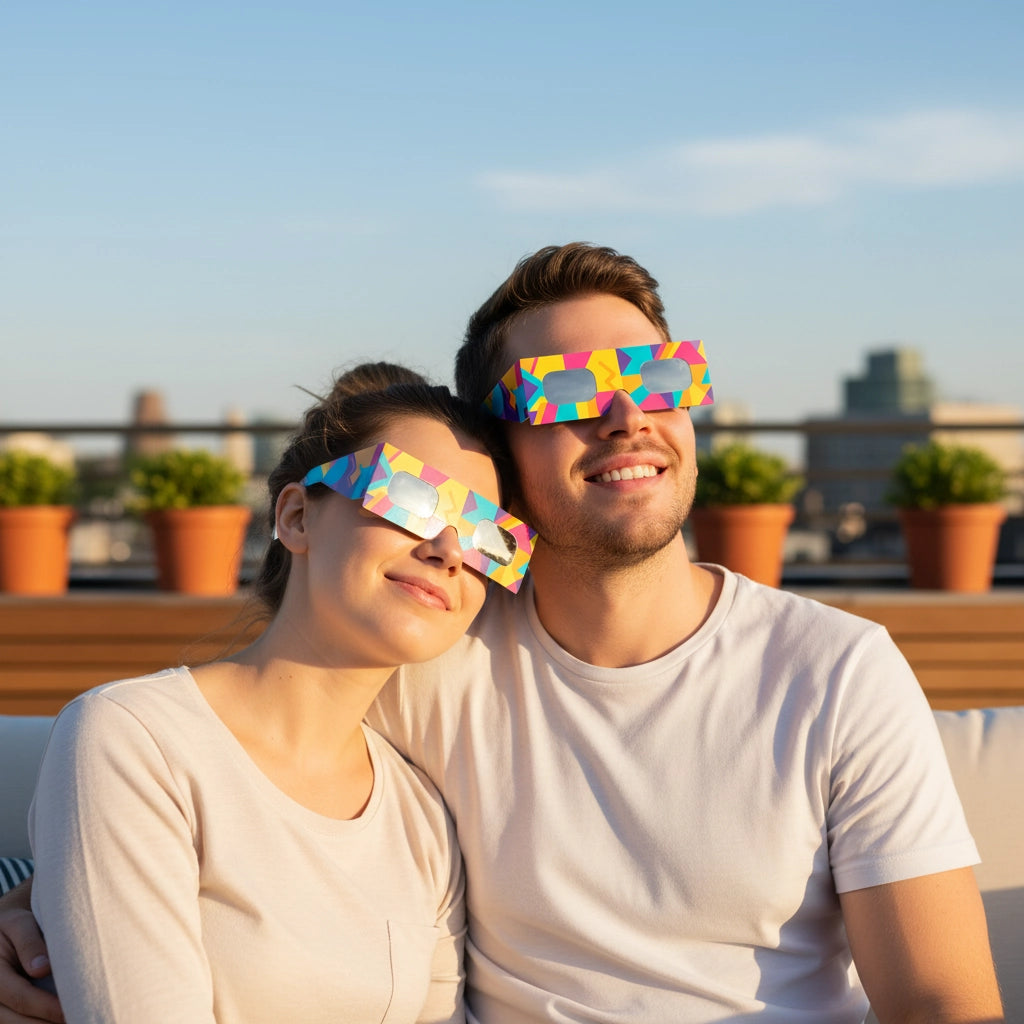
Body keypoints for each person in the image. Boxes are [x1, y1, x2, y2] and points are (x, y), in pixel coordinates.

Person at [0, 244, 1004, 1023]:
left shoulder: (835, 668)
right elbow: (226, 753)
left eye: (656, 376)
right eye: (566, 390)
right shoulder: (423, 658)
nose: (623, 414)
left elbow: (942, 1002)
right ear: (500, 458)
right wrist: (41, 908)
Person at [8, 362, 534, 1024]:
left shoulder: (422, 817)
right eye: (415, 499)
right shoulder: (132, 741)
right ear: (296, 516)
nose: (450, 549)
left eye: (492, 537)